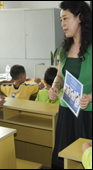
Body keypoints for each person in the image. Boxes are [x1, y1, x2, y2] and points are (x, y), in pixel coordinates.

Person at [48, 1, 92, 169]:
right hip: (67, 110)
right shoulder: (65, 49)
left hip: (87, 113)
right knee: (65, 158)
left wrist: (90, 97)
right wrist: (55, 87)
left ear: (80, 17)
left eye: (65, 18)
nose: (63, 24)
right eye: (61, 20)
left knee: (84, 159)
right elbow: (60, 76)